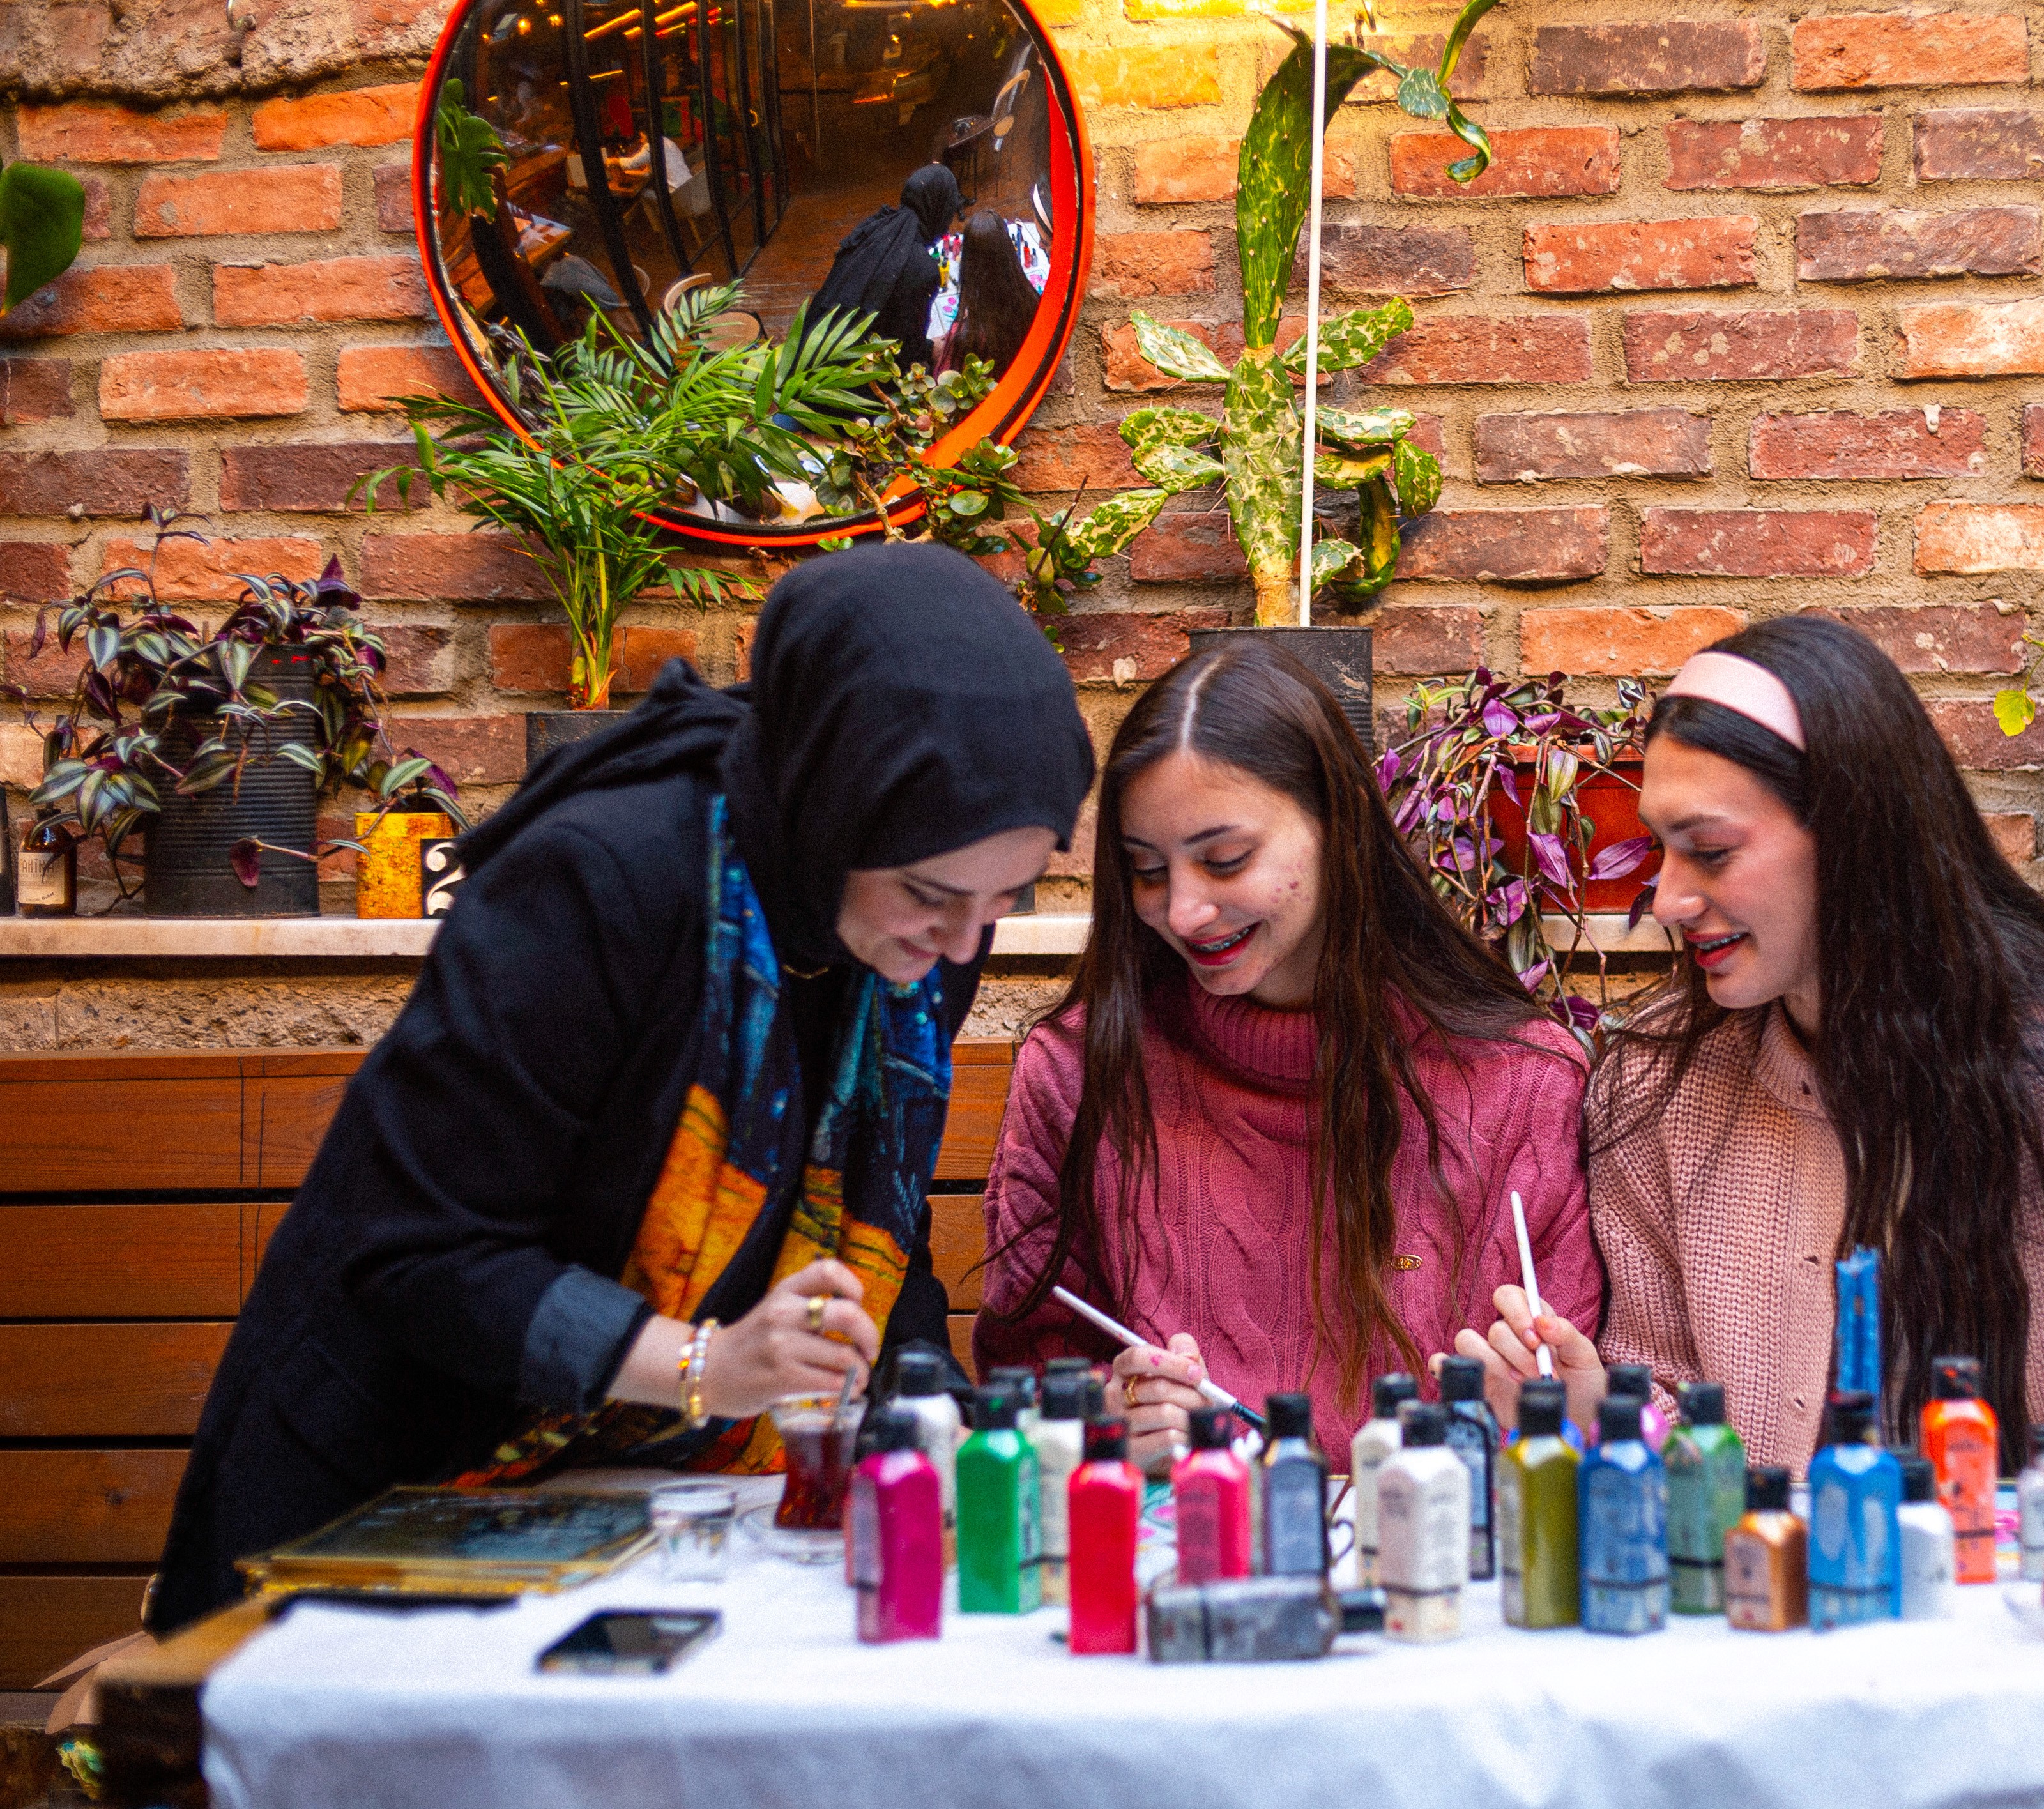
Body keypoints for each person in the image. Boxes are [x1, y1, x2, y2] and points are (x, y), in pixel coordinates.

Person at [148, 544, 1094, 1629]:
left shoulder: (921, 932)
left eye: (1008, 899)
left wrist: (938, 1413)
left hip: (660, 1521)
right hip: (390, 1505)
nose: (965, 941)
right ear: (830, 808)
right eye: (934, 894)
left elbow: (864, 1226)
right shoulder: (602, 879)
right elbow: (419, 1251)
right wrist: (705, 1365)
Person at [1461, 618, 2044, 1477]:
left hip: (2037, 1602)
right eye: (1662, 852)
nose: (1666, 901)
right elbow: (1670, 1405)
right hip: (1762, 1600)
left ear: (1857, 834)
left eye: (1710, 852)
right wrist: (1604, 1414)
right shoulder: (1659, 1079)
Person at [975, 641, 1601, 1467]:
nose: (1185, 911)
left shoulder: (1526, 1082)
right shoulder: (1081, 1073)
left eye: (1225, 859)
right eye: (1147, 870)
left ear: (1338, 827)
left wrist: (1575, 1409)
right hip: (1187, 1560)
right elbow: (1018, 1394)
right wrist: (1100, 1421)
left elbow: (1588, 1406)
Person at [809, 163, 961, 371]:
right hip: (847, 374)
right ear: (940, 210)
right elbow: (905, 345)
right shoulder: (922, 270)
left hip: (816, 342)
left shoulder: (876, 225)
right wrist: (930, 349)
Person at [927, 206, 1046, 378]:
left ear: (968, 262)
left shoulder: (969, 335)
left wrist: (948, 343)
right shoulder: (1032, 299)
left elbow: (945, 383)